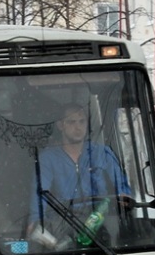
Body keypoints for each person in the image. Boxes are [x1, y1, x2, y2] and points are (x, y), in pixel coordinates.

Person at [28, 103, 132, 243]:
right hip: (65, 223)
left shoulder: (102, 153)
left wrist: (123, 196)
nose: (78, 127)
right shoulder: (48, 159)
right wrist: (36, 220)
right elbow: (40, 193)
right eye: (71, 122)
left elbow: (122, 187)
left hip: (101, 221)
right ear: (60, 125)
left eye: (82, 121)